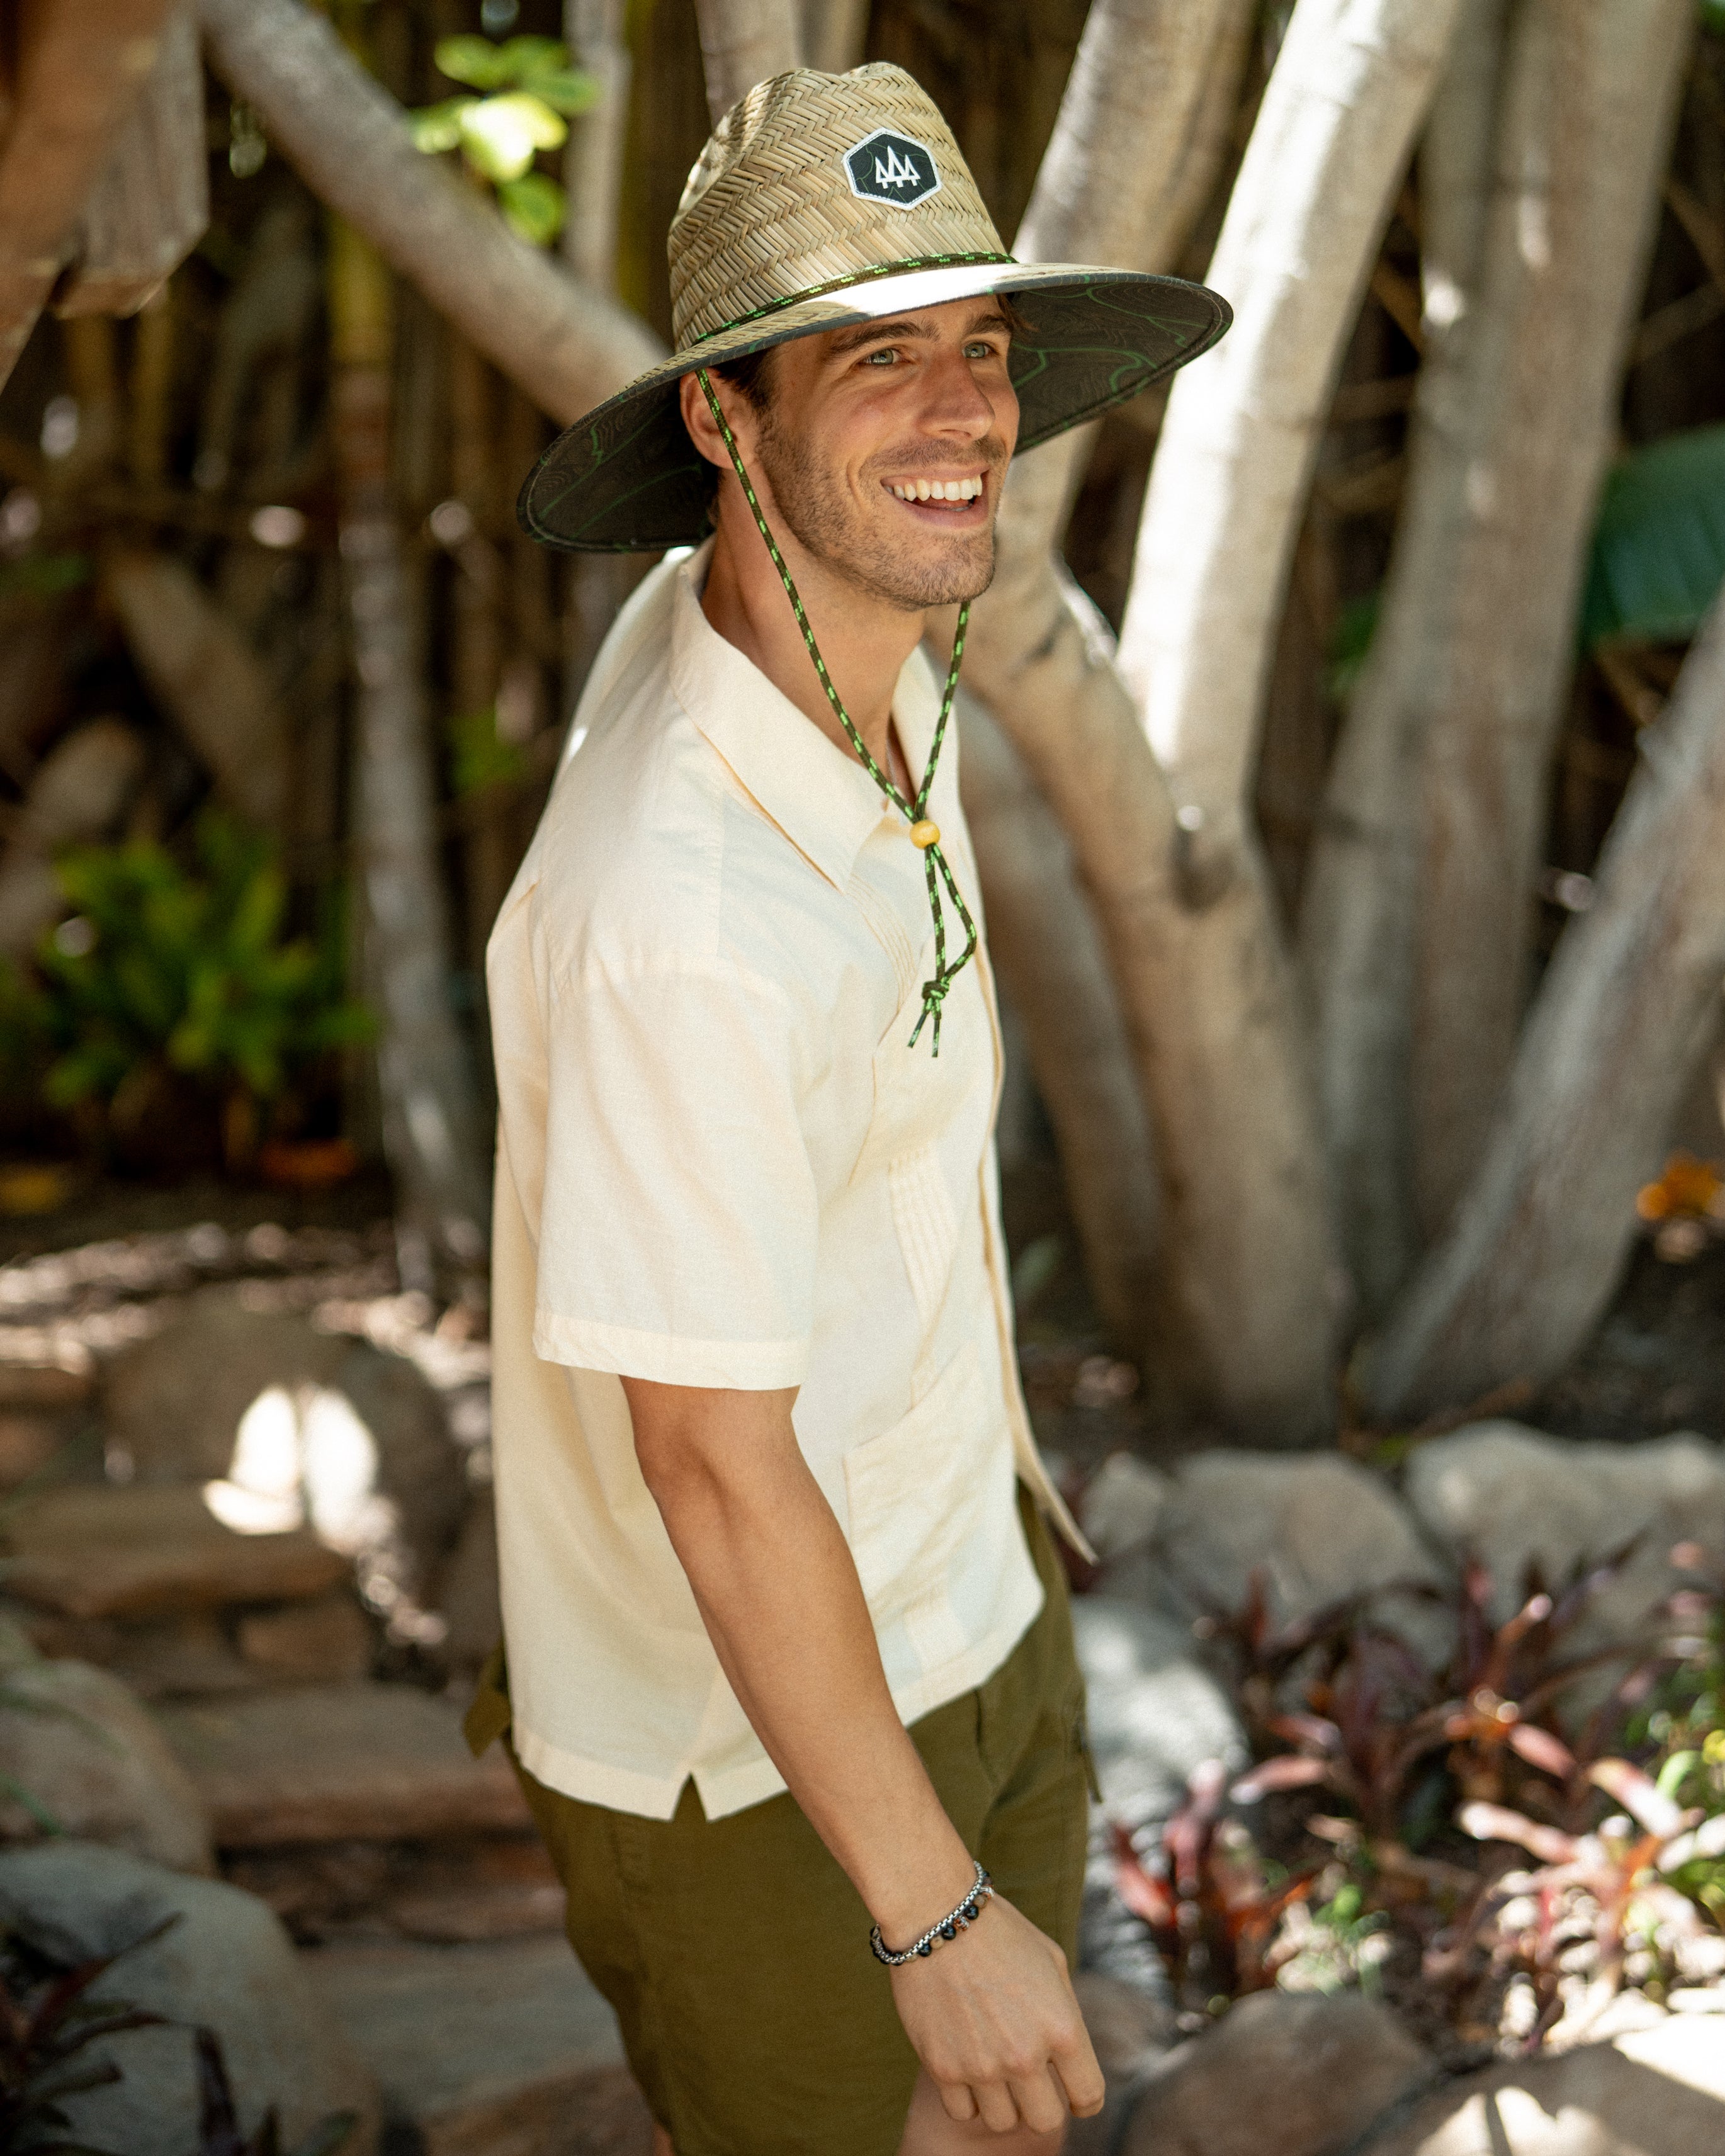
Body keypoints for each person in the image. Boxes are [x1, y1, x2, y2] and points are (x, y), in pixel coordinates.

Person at [467, 62, 1229, 2156]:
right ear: (720, 422)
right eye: (874, 361)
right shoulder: (675, 910)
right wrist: (929, 1916)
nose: (963, 412)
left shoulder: (846, 633)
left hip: (970, 1597)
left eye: (976, 349)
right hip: (764, 1761)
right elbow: (711, 1470)